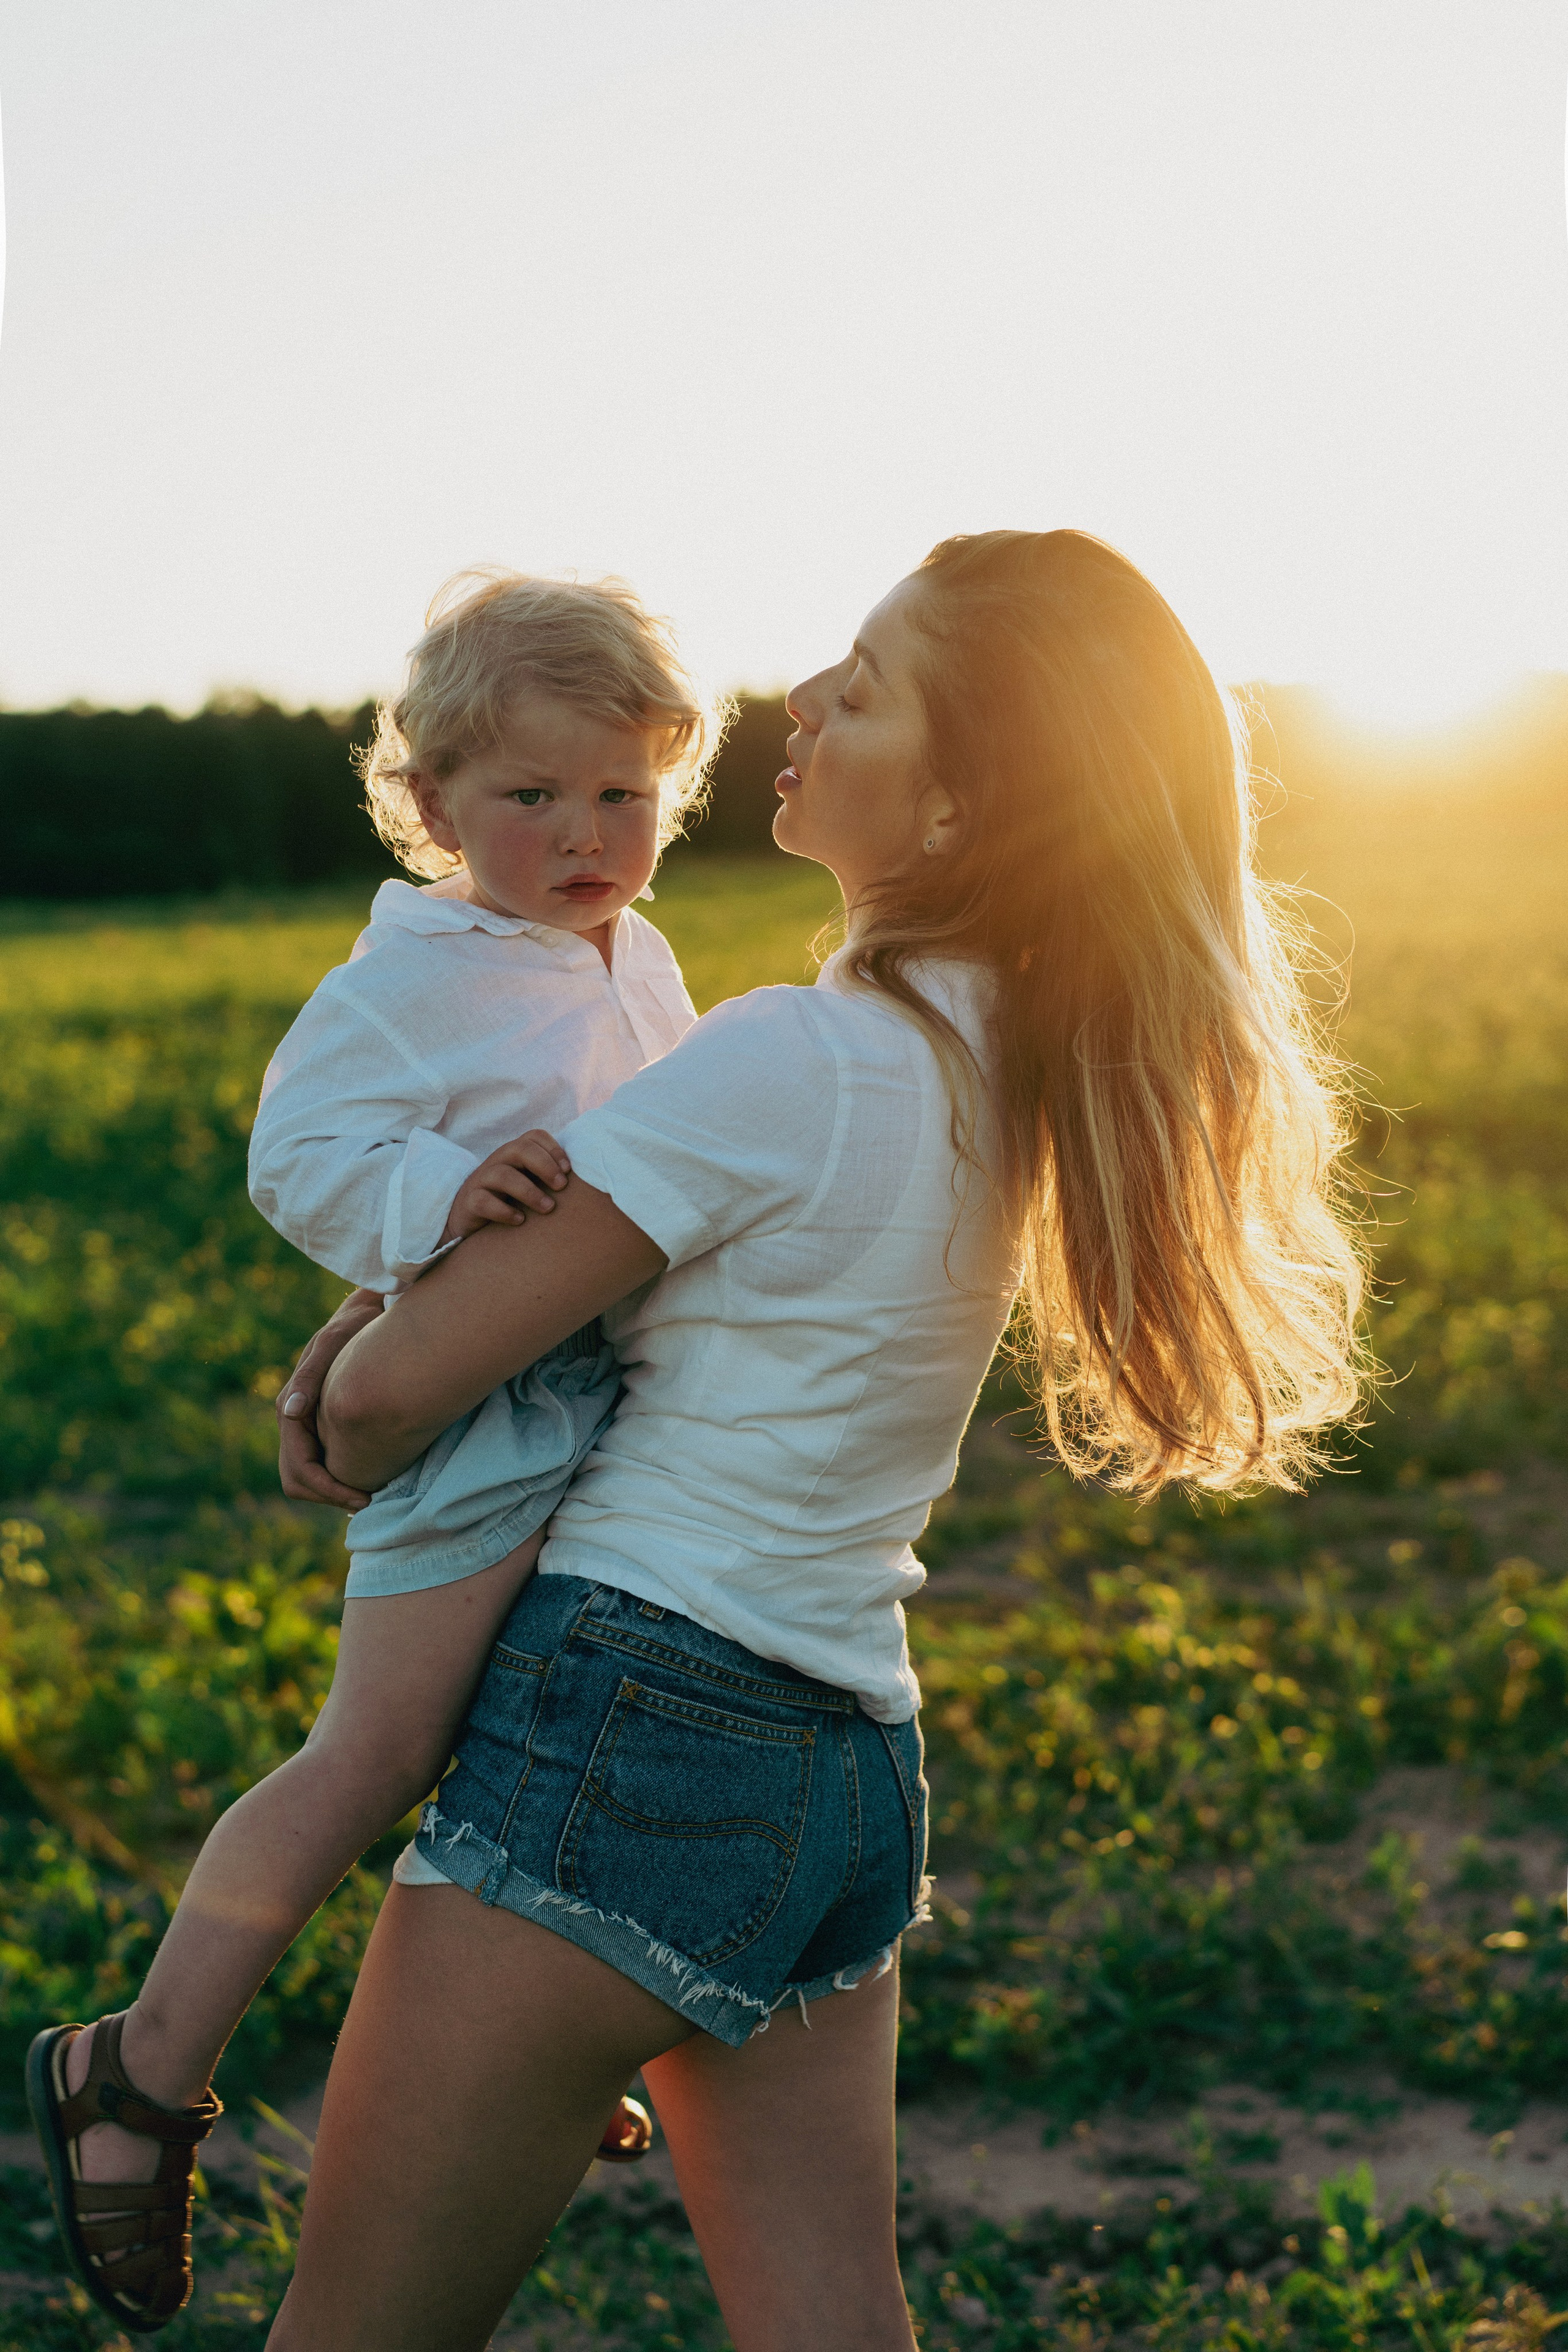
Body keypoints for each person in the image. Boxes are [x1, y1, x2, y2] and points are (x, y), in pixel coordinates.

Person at [24, 568, 724, 2334]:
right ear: (432, 808)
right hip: (481, 1413)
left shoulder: (637, 951)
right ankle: (137, 2071)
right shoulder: (417, 968)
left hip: (610, 1409)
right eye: (532, 798)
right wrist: (428, 1204)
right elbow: (301, 1150)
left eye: (623, 795)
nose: (585, 837)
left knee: (558, 1726)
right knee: (380, 1746)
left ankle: (528, 2037)